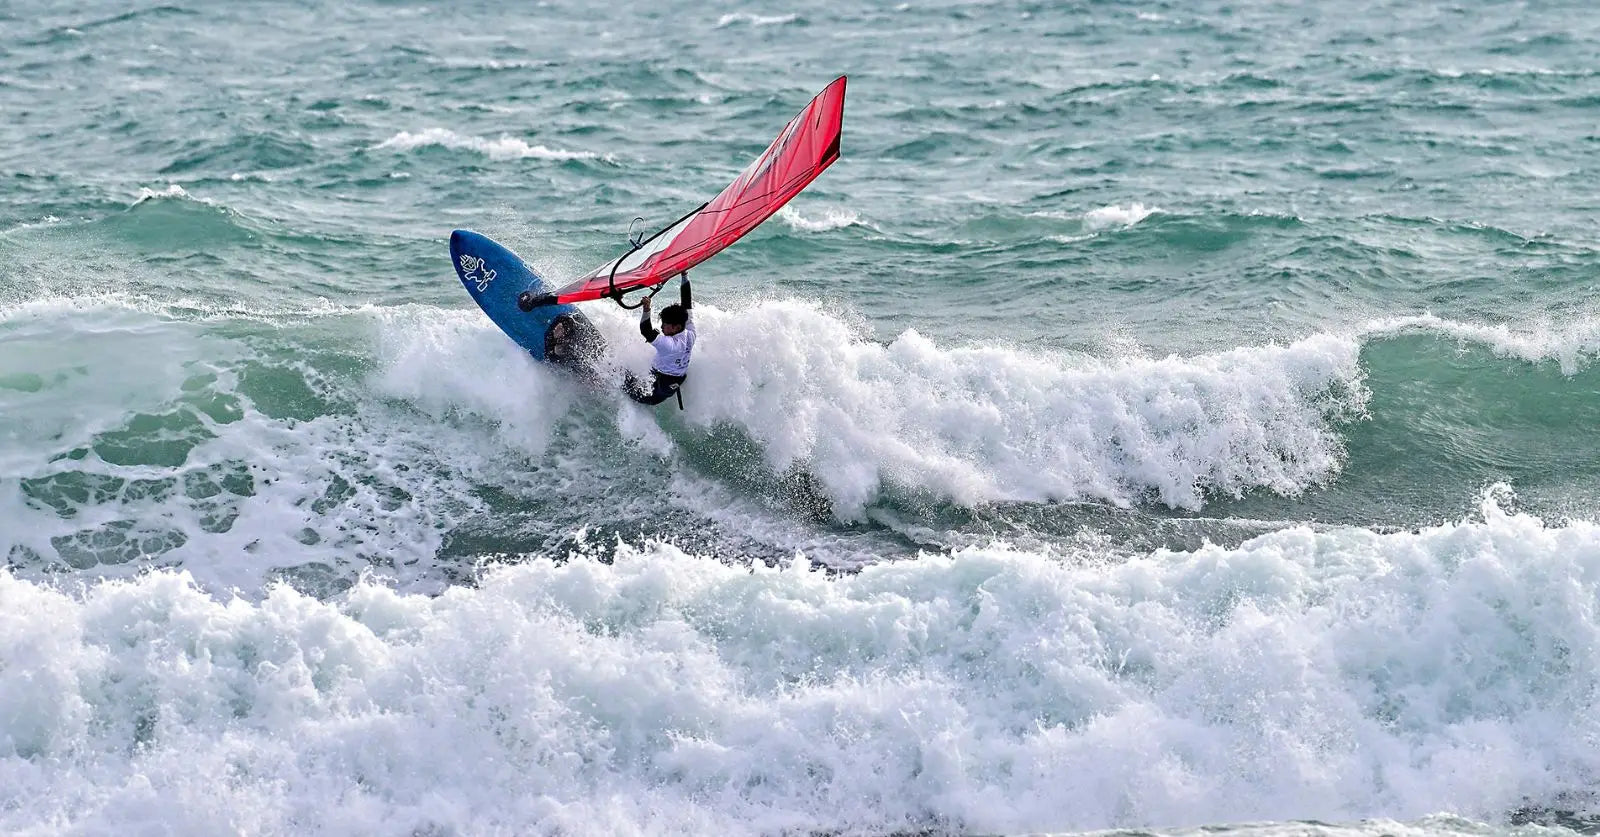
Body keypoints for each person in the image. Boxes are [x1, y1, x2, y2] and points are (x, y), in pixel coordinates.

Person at [624, 275, 695, 407]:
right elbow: (686, 301)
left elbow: (646, 331)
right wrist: (684, 275)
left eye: (665, 324)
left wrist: (646, 310)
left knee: (620, 377)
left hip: (653, 392)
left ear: (676, 327)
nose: (662, 326)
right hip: (674, 380)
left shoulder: (670, 345)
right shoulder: (690, 331)